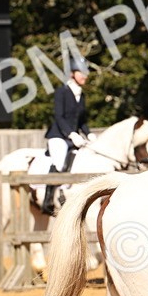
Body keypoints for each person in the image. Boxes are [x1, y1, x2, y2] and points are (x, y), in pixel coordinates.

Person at [41, 56, 94, 215]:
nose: (85, 76)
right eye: (81, 73)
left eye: (86, 73)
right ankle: (48, 200)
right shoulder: (62, 91)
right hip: (58, 135)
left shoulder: (81, 95)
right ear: (72, 74)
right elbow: (59, 117)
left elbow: (82, 121)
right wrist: (71, 134)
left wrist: (89, 135)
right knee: (59, 157)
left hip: (74, 136)